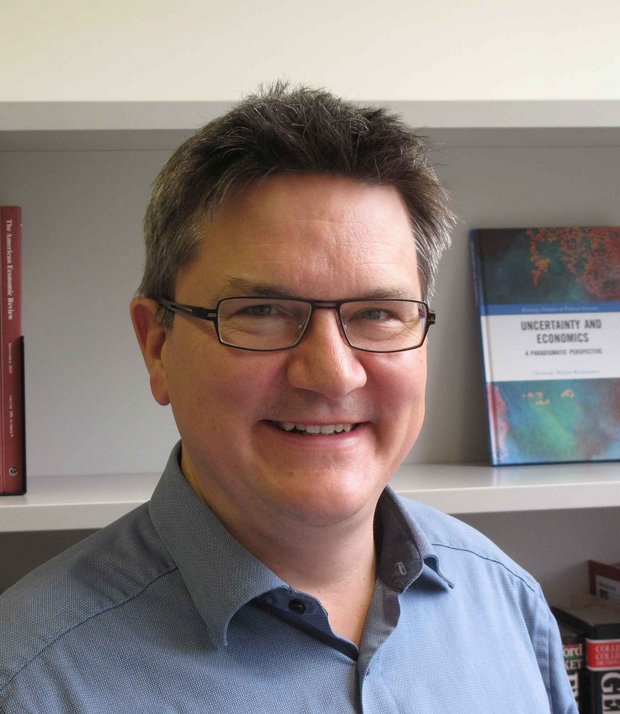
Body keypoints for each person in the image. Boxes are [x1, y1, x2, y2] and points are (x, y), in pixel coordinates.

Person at [0, 84, 576, 714]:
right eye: (263, 311)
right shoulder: (28, 679)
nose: (332, 375)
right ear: (157, 346)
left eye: (378, 313)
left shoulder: (508, 602)